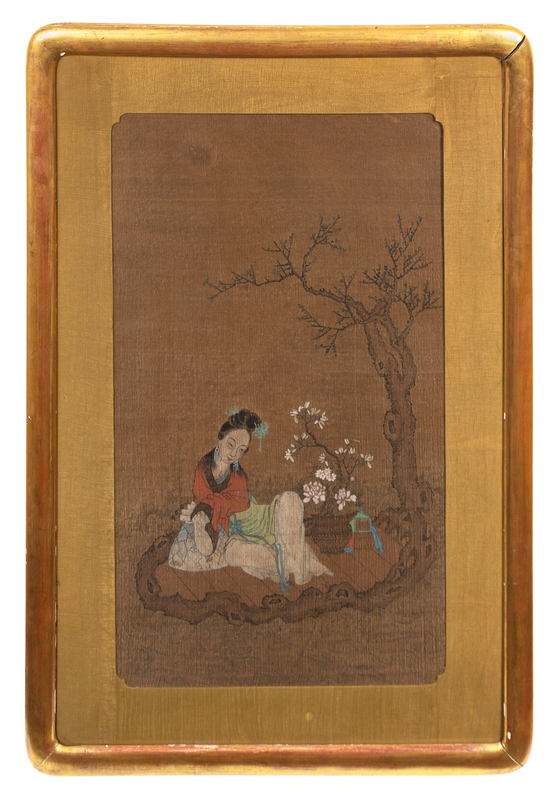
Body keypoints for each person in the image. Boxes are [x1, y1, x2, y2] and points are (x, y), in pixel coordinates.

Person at [168, 409, 332, 592]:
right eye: (231, 444)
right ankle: (291, 562)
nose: (233, 454)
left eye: (241, 450)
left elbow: (239, 503)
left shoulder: (238, 475)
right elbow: (204, 502)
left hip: (263, 521)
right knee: (233, 555)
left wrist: (207, 506)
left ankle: (292, 563)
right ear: (220, 438)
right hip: (237, 534)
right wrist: (203, 512)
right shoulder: (203, 467)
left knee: (290, 500)